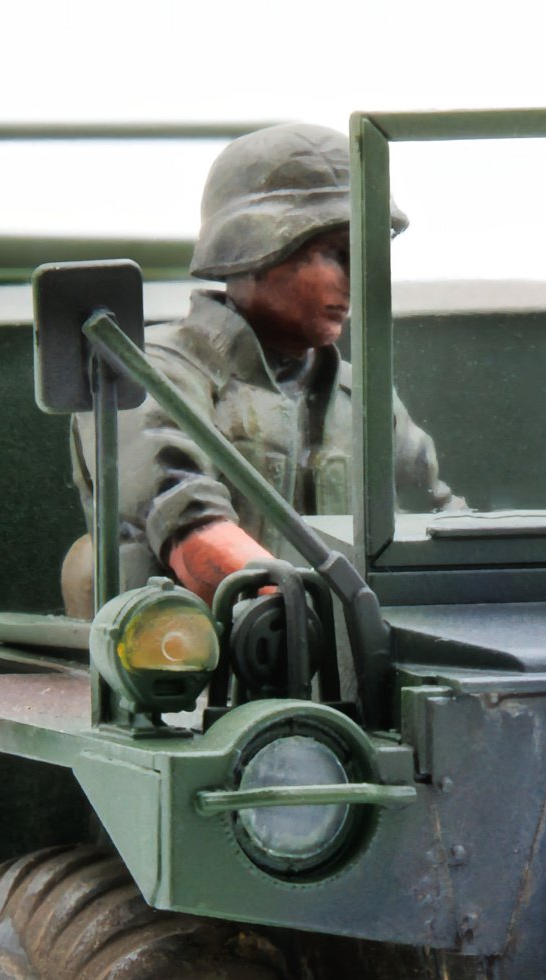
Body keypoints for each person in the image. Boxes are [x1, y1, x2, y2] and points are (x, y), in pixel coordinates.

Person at [66, 122, 458, 614]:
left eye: (366, 254)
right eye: (337, 254)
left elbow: (441, 525)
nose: (357, 278)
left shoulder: (359, 397)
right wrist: (307, 621)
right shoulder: (149, 373)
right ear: (257, 248)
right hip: (193, 671)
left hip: (349, 660)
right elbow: (193, 532)